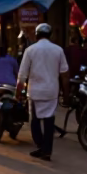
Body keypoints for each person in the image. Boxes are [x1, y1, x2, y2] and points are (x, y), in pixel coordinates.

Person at [17, 23, 69, 162]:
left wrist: (18, 92)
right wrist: (67, 93)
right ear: (50, 35)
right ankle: (46, 150)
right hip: (52, 91)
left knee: (34, 121)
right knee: (49, 122)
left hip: (35, 92)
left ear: (37, 35)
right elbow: (64, 75)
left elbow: (22, 75)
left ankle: (41, 146)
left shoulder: (30, 50)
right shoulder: (58, 50)